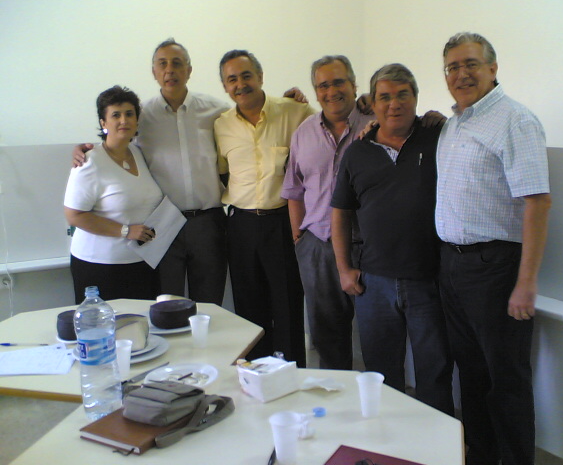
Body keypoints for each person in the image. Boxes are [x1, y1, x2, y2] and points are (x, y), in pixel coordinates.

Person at [436, 32, 551, 465]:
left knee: (506, 379)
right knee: (471, 373)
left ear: (492, 68)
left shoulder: (515, 121)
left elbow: (537, 201)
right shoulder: (453, 124)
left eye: (470, 64)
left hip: (496, 268)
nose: (461, 74)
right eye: (452, 67)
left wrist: (526, 282)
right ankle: (481, 456)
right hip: (453, 266)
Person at [331, 64, 454, 415]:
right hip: (374, 285)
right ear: (372, 103)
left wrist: (441, 119)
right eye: (384, 97)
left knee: (435, 372)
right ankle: (387, 440)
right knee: (381, 377)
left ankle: (435, 441)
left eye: (403, 95)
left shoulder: (438, 138)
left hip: (429, 281)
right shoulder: (357, 152)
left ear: (415, 98)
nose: (394, 104)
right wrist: (344, 269)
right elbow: (340, 213)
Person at [74, 39, 229, 305]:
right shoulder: (140, 116)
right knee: (166, 303)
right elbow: (115, 141)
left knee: (210, 303)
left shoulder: (217, 110)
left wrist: (290, 101)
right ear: (154, 72)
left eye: (177, 63)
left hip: (208, 222)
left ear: (189, 70)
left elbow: (249, 123)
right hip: (162, 223)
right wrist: (85, 149)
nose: (170, 70)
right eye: (162, 64)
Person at [215, 50, 315, 366]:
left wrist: (364, 104)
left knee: (288, 305)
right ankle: (256, 376)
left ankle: (291, 373)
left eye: (246, 76)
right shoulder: (221, 125)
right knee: (249, 308)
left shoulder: (295, 111)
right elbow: (222, 172)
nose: (240, 84)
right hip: (241, 226)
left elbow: (332, 123)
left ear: (260, 76)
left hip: (283, 223)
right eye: (232, 79)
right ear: (225, 86)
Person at [281, 55, 370, 370]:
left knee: (378, 335)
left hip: (368, 246)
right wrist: (300, 239)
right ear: (315, 92)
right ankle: (336, 397)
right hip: (318, 246)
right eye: (323, 85)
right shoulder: (303, 133)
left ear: (354, 85)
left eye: (339, 82)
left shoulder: (376, 122)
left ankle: (378, 397)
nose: (331, 91)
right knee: (327, 339)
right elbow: (294, 190)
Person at [64, 86, 162, 303]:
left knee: (142, 322)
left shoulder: (138, 153)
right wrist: (125, 231)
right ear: (103, 123)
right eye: (115, 115)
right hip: (100, 266)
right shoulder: (89, 161)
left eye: (129, 114)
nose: (123, 120)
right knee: (107, 324)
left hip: (142, 262)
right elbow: (74, 215)